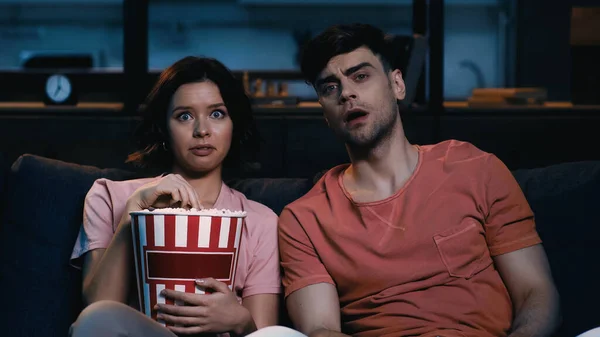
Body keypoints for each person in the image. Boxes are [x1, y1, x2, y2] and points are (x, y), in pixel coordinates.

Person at [278, 24, 563, 337]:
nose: (347, 92)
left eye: (361, 76)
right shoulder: (304, 219)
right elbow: (320, 329)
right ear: (326, 113)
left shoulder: (476, 169)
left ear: (397, 84)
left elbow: (535, 292)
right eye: (330, 88)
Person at [69, 56, 289, 337]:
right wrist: (132, 215)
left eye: (217, 114)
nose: (202, 131)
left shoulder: (260, 221)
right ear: (164, 128)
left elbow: (264, 333)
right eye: (184, 116)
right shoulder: (110, 196)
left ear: (235, 124)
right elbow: (96, 315)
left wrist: (239, 321)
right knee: (97, 317)